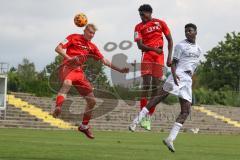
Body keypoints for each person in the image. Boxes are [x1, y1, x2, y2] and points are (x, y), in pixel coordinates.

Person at [129, 23, 202, 152]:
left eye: (190, 31)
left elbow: (193, 67)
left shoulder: (199, 49)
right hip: (177, 75)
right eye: (186, 31)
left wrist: (190, 80)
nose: (187, 33)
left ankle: (170, 139)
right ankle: (136, 121)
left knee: (186, 111)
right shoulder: (180, 45)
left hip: (187, 80)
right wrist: (173, 76)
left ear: (196, 32)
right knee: (158, 98)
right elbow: (173, 63)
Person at [52, 24, 129, 139]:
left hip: (79, 73)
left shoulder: (91, 46)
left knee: (92, 101)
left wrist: (120, 69)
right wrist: (69, 58)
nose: (91, 35)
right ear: (84, 30)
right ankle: (58, 107)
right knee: (67, 83)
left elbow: (104, 61)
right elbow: (58, 48)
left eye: (93, 33)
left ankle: (84, 126)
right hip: (68, 68)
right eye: (90, 32)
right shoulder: (73, 37)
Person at [134, 4, 173, 130]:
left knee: (156, 87)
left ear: (150, 12)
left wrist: (169, 57)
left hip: (159, 57)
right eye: (140, 14)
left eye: (143, 14)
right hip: (147, 56)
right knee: (146, 84)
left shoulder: (160, 23)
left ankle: (147, 116)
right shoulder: (138, 27)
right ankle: (142, 114)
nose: (141, 16)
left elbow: (170, 40)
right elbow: (140, 46)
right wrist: (153, 49)